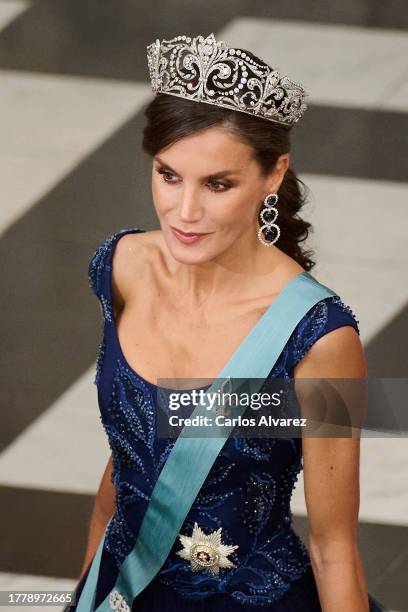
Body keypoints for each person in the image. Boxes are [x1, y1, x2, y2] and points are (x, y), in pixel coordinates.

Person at [68, 34, 386, 611]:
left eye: (217, 184)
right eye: (169, 175)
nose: (184, 213)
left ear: (273, 174)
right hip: (124, 586)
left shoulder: (319, 338)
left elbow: (334, 546)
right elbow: (129, 456)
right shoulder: (122, 267)